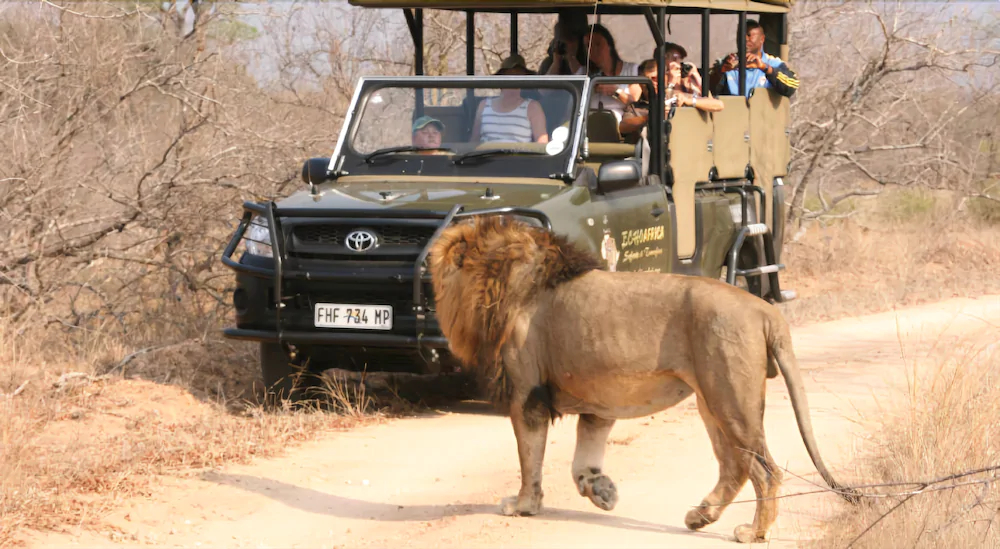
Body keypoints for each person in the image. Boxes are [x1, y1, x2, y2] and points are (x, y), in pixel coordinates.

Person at [619, 57, 724, 141]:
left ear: (665, 77)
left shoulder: (677, 96)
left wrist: (690, 101)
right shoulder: (635, 106)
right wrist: (650, 117)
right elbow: (623, 127)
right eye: (650, 80)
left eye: (657, 78)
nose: (654, 83)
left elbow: (718, 105)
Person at [471, 55, 549, 144]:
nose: (513, 80)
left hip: (520, 157)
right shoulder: (484, 105)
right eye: (509, 76)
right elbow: (474, 142)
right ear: (500, 78)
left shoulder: (533, 107)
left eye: (518, 76)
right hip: (485, 157)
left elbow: (542, 145)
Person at [710, 19, 799, 98]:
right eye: (741, 35)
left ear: (762, 39)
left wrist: (765, 68)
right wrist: (721, 71)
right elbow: (708, 90)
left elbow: (792, 86)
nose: (745, 39)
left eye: (749, 35)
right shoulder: (728, 63)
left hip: (763, 115)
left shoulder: (773, 63)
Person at [581, 24, 642, 124]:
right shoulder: (585, 72)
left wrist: (615, 91)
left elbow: (634, 102)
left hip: (618, 127)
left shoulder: (631, 69)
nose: (593, 49)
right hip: (588, 123)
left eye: (597, 44)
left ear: (609, 45)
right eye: (588, 46)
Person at [539, 11, 588, 76]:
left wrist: (571, 59)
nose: (566, 43)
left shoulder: (589, 61)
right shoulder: (548, 63)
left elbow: (586, 82)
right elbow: (543, 85)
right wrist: (556, 64)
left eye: (570, 39)